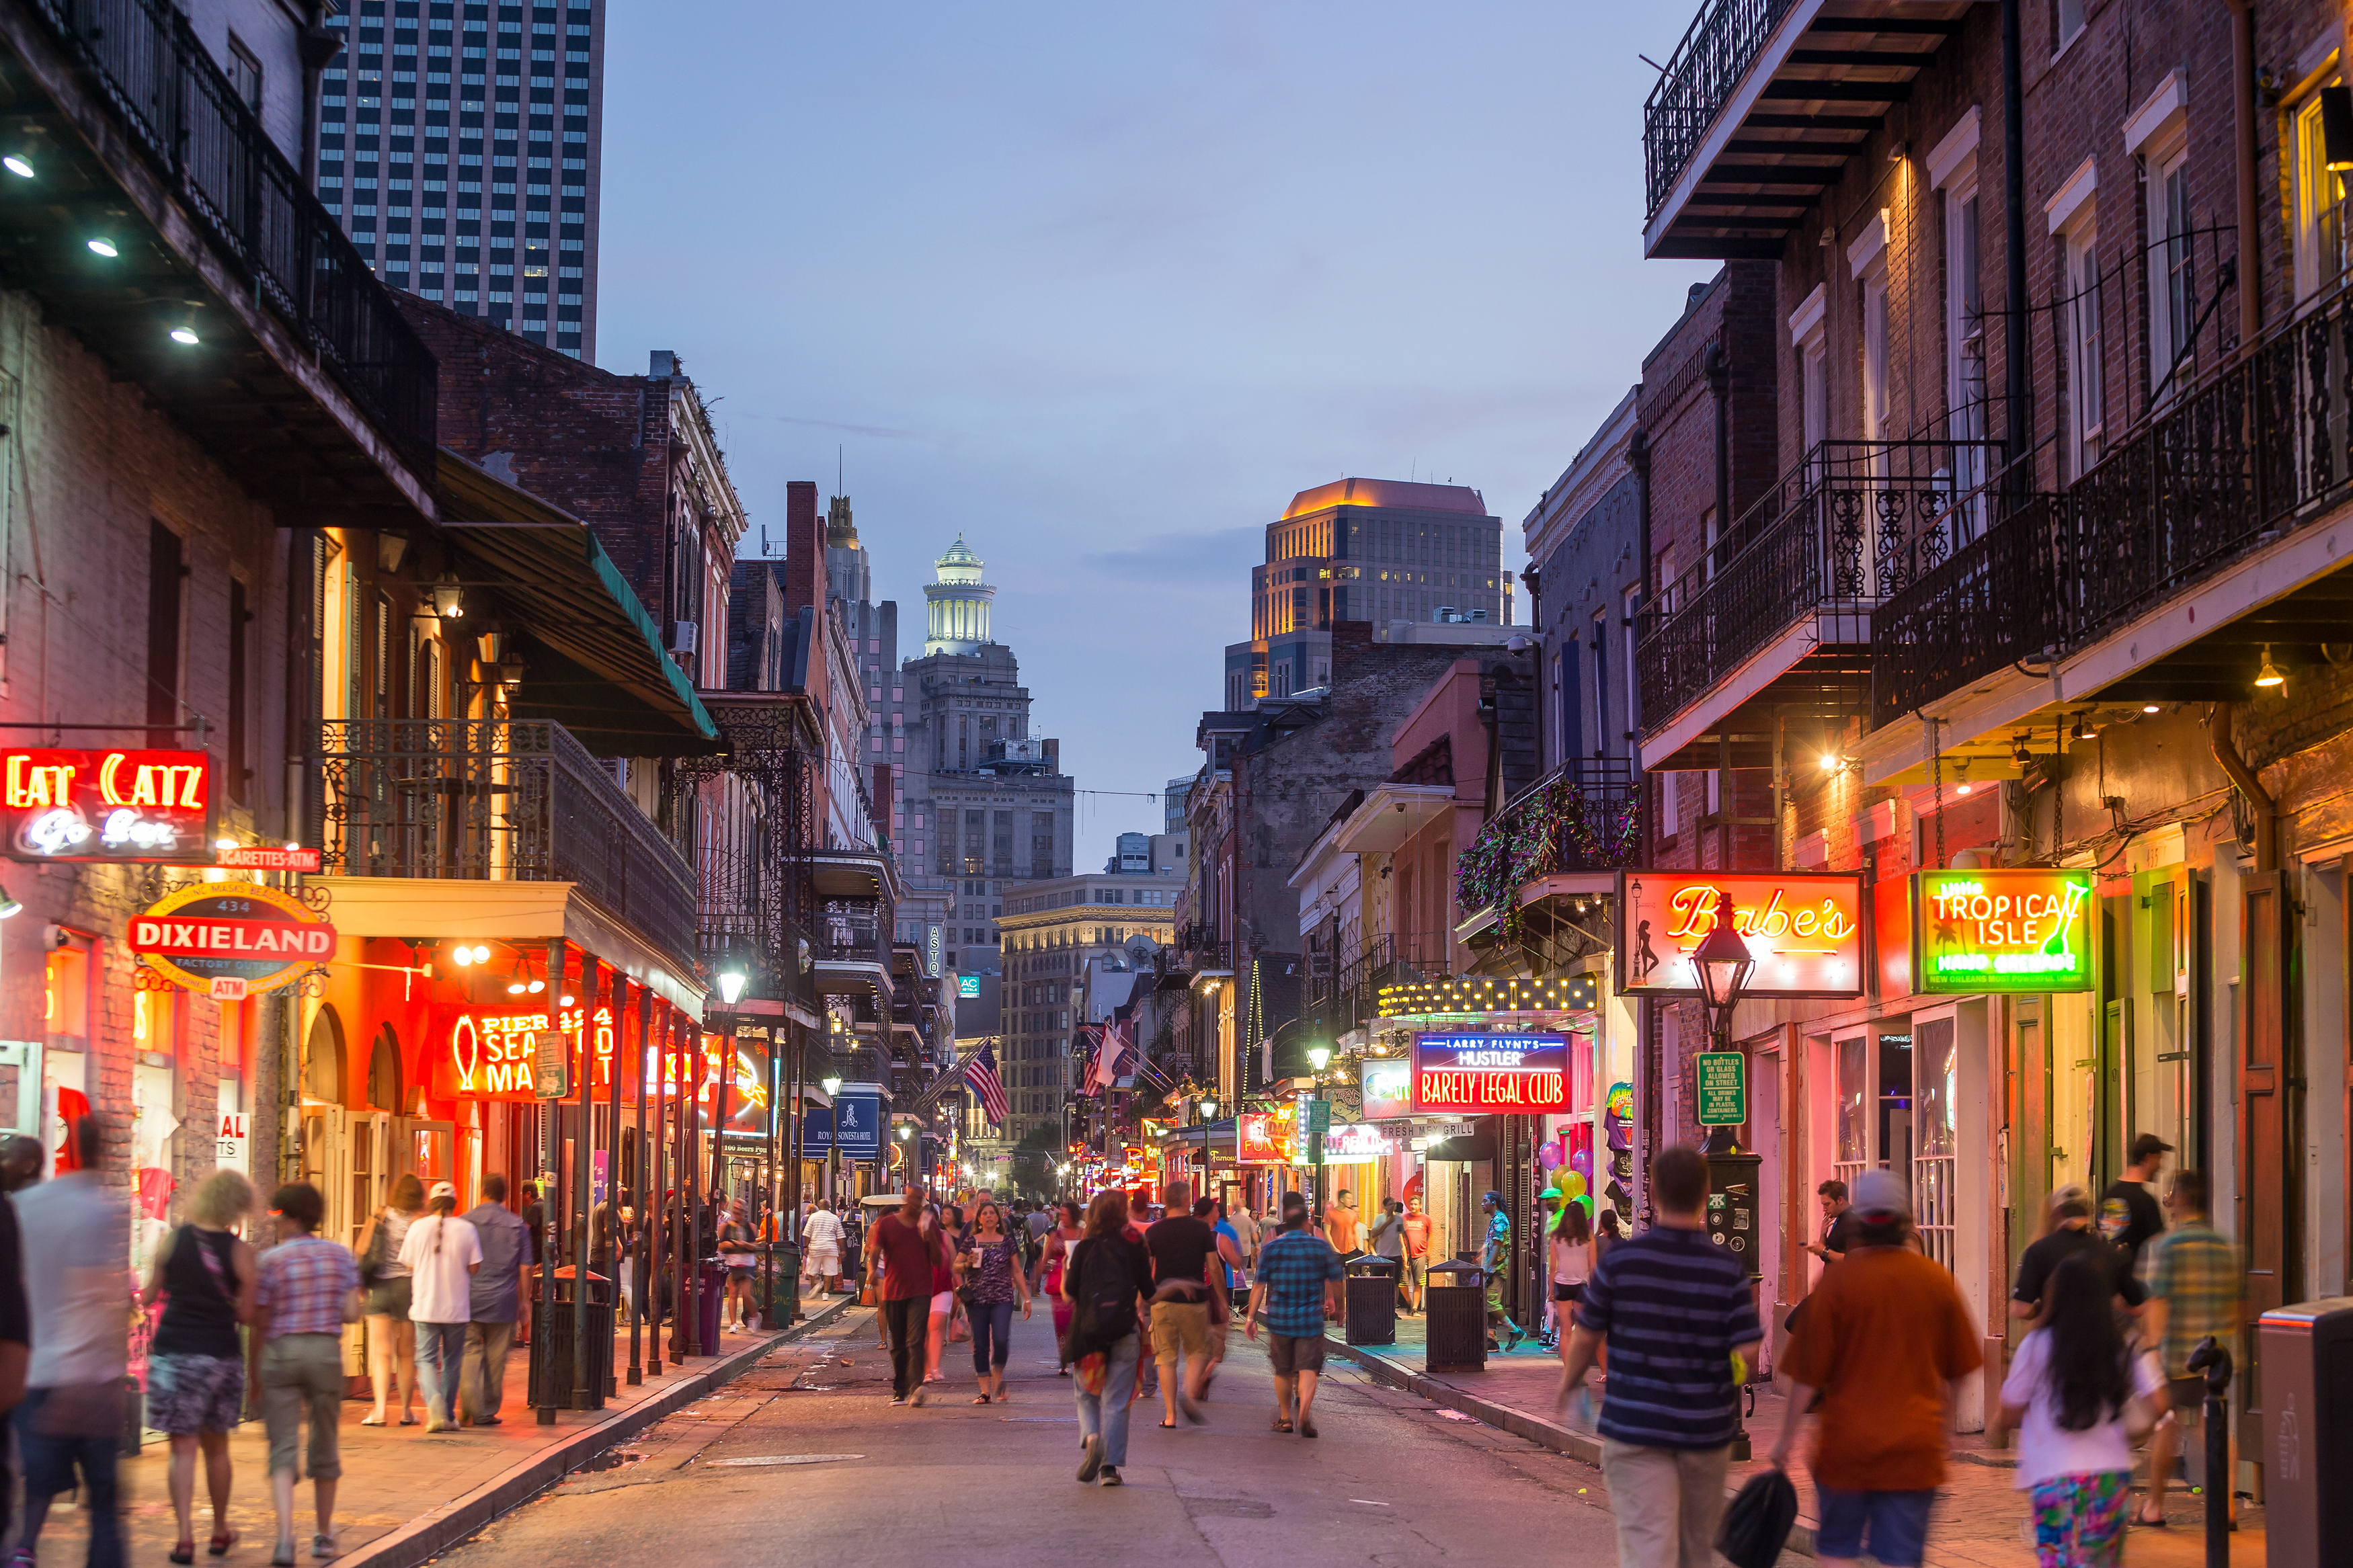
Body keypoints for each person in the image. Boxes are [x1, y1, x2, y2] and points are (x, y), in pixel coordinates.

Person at [1769, 1167, 1984, 1568]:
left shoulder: (1837, 1285)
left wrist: (1785, 1440)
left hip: (1845, 1448)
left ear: (1859, 1225)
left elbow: (1805, 1376)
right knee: (1901, 1558)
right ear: (1905, 1221)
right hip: (1913, 1450)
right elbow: (1960, 1369)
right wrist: (1943, 1430)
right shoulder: (1936, 1282)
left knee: (1836, 1550)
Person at [1560, 1147, 1763, 1568]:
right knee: (1695, 1549)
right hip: (1705, 1431)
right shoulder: (1726, 1269)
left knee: (1649, 1545)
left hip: (1637, 1429)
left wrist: (1569, 1384)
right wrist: (1721, 1377)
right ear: (1706, 1194)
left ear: (1652, 1192)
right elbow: (1747, 1350)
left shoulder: (1622, 1261)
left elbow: (1586, 1335)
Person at [1998, 1251, 2163, 1567]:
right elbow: (2159, 1400)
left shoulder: (2037, 1344)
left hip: (2052, 1476)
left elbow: (2011, 1407)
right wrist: (2135, 1425)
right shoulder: (2123, 1344)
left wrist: (1999, 1427)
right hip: (2108, 1475)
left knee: (2059, 1560)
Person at [17, 1114, 130, 1568]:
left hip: (32, 1370)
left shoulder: (27, 1206)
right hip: (87, 1379)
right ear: (103, 1150)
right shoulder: (98, 1211)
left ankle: (22, 1551)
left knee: (35, 1485)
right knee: (103, 1503)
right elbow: (96, 1298)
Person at [143, 1169, 260, 1564]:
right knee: (217, 1448)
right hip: (219, 1355)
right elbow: (246, 1315)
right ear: (237, 1206)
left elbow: (149, 1294)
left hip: (174, 1353)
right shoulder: (240, 1251)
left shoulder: (174, 1239)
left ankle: (184, 1538)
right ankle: (220, 1530)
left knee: (182, 1449)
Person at [251, 1182, 362, 1568]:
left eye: (278, 1215)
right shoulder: (340, 1256)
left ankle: (284, 1540)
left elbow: (260, 1317)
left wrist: (254, 1371)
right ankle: (325, 1534)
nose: (276, 1222)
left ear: (291, 1217)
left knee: (282, 1447)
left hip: (282, 1353)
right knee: (325, 1442)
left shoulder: (271, 1260)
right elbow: (351, 1313)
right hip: (325, 1353)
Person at [2137, 1169, 2238, 1527]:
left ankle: (2153, 1507)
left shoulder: (2167, 1247)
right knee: (2216, 1429)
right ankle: (2226, 1508)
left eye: (2170, 1198)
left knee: (2168, 1426)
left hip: (2179, 1355)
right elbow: (2237, 1305)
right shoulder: (2223, 1246)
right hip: (2218, 1357)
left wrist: (2151, 1350)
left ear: (2179, 1200)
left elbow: (2158, 1303)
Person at [1062, 1190, 1154, 1487]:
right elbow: (1149, 1290)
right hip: (1124, 1328)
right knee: (1117, 1401)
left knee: (1086, 1393)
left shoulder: (1084, 1247)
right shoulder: (1133, 1244)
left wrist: (1067, 1270)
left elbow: (1069, 1294)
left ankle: (1092, 1439)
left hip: (1089, 1332)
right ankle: (1110, 1469)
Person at [1246, 1192, 1343, 1438]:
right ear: (1306, 1222)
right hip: (1310, 1318)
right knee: (1309, 1368)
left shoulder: (1273, 1246)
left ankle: (1285, 1418)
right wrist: (1339, 1306)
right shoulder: (1320, 1245)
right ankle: (1304, 1413)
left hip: (1280, 1318)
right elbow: (1336, 1278)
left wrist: (1250, 1317)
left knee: (1283, 1370)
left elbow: (1259, 1284)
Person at [398, 1181, 482, 1434]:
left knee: (425, 1359)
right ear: (454, 1203)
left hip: (425, 1305)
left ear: (431, 1203)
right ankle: (446, 1413)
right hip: (456, 1308)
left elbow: (408, 1264)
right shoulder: (467, 1229)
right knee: (452, 1361)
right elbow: (475, 1267)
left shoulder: (417, 1228)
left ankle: (434, 1404)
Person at [1142, 1180, 1221, 1428]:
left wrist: (1139, 1302)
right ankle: (1188, 1392)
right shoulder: (1201, 1229)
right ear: (1187, 1200)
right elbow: (1214, 1266)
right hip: (1195, 1301)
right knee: (1199, 1352)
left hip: (1162, 1301)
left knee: (1165, 1358)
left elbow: (1144, 1270)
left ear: (1165, 1201)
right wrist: (1221, 1298)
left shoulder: (1153, 1231)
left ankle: (1170, 1415)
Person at [458, 1173, 530, 1427]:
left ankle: (469, 1402)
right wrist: (525, 1302)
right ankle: (487, 1410)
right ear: (505, 1195)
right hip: (503, 1300)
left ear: (482, 1191)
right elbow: (524, 1268)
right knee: (496, 1358)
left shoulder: (464, 1222)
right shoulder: (516, 1225)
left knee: (468, 1350)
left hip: (469, 1299)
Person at [2011, 1184, 2143, 1323]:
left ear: (2056, 1215)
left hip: (2057, 1340)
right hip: (2101, 1340)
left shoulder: (2038, 1251)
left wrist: (2044, 1307)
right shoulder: (2112, 1253)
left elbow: (2021, 1310)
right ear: (2089, 1213)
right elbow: (2138, 1307)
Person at [357, 1172, 425, 1426]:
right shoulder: (420, 1221)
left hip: (380, 1286)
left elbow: (362, 1248)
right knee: (406, 1353)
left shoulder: (380, 1214)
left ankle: (380, 1410)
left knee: (381, 1352)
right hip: (408, 1287)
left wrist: (361, 1282)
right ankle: (407, 1411)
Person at [867, 1188, 946, 1405]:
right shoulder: (888, 1224)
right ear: (906, 1200)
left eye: (919, 1200)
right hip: (894, 1289)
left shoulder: (929, 1224)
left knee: (916, 1339)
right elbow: (875, 1251)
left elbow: (938, 1260)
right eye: (912, 1199)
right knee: (899, 1343)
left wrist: (928, 1235)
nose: (915, 1204)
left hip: (921, 1289)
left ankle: (916, 1387)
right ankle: (899, 1387)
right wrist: (872, 1271)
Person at [956, 1200, 1031, 1404]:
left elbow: (1016, 1269)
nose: (989, 1217)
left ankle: (997, 1378)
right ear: (979, 1219)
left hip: (1002, 1298)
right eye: (985, 1214)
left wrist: (1026, 1298)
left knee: (1000, 1340)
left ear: (998, 1218)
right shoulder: (972, 1241)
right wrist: (967, 1264)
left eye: (993, 1213)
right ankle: (985, 1391)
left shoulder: (1007, 1241)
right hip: (977, 1298)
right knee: (980, 1344)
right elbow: (956, 1266)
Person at [2100, 1133, 2172, 1279]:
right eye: (2159, 1159)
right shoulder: (2145, 1201)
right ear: (2149, 1158)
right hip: (2134, 1285)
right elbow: (2159, 1248)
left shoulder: (2108, 1195)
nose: (2161, 1166)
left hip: (2108, 1283)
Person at [1547, 1199, 1592, 1385]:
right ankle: (1580, 1374)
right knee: (1582, 1330)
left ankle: (1570, 1373)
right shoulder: (1588, 1237)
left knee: (1565, 1331)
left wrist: (1551, 1291)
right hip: (1582, 1285)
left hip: (1562, 1284)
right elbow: (1594, 1266)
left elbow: (1552, 1267)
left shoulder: (1556, 1238)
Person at [1037, 1201, 1084, 1374]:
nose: (1062, 1218)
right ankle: (1064, 1359)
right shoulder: (1056, 1234)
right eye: (1061, 1215)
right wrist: (1037, 1276)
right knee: (1061, 1323)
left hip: (1078, 1281)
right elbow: (1046, 1255)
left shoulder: (1083, 1234)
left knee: (1077, 1322)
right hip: (1058, 1283)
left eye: (1065, 1215)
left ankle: (1078, 1357)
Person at [1478, 1190, 1523, 1351]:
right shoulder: (1495, 1220)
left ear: (1493, 1203)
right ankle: (1492, 1340)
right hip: (1493, 1268)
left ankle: (1515, 1330)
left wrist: (1487, 1267)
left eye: (1485, 1201)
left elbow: (1497, 1245)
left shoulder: (1500, 1219)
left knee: (1491, 1302)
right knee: (1490, 1304)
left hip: (1496, 1269)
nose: (1482, 1204)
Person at [926, 1204, 965, 1384]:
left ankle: (934, 1367)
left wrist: (960, 1288)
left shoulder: (945, 1237)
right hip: (918, 1290)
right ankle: (926, 1369)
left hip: (942, 1287)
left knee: (936, 1325)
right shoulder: (913, 1239)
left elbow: (953, 1264)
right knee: (922, 1331)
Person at [719, 1200, 756, 1332]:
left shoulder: (750, 1227)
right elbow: (719, 1246)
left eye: (739, 1211)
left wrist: (745, 1244)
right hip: (732, 1262)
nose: (736, 1214)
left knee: (746, 1294)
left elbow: (755, 1246)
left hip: (747, 1262)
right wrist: (725, 1245)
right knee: (733, 1293)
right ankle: (733, 1323)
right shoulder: (725, 1227)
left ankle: (755, 1316)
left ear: (744, 1212)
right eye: (734, 1211)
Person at [1803, 1179, 1853, 1268]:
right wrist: (1823, 1233)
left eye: (1827, 1204)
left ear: (1840, 1200)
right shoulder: (1839, 1218)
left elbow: (1851, 1260)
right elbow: (1824, 1256)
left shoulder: (1852, 1221)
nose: (1824, 1209)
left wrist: (1824, 1250)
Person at [801, 1198, 846, 1294]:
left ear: (819, 1206)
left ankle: (814, 1289)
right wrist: (842, 1250)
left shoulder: (813, 1217)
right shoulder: (835, 1218)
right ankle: (825, 1293)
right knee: (829, 1272)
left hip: (816, 1247)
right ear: (829, 1207)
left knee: (812, 1270)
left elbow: (807, 1234)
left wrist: (805, 1247)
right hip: (831, 1248)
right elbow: (841, 1236)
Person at [1399, 1194, 1432, 1313]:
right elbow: (1400, 1235)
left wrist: (1428, 1251)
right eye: (1411, 1204)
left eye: (1416, 1204)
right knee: (1402, 1283)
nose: (1413, 1206)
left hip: (1421, 1254)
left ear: (1420, 1206)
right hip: (1405, 1255)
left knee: (1419, 1282)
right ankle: (1409, 1302)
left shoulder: (1426, 1219)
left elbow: (1430, 1235)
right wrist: (1403, 1249)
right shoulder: (1403, 1218)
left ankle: (1415, 1308)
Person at [1324, 1189, 1365, 1262]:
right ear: (1342, 1200)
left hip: (1351, 1250)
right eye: (1348, 1198)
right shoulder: (1330, 1213)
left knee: (1351, 1273)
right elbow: (1327, 1232)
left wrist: (1358, 1248)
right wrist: (1333, 1248)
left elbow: (1355, 1232)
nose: (1351, 1201)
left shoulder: (1352, 1214)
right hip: (1336, 1252)